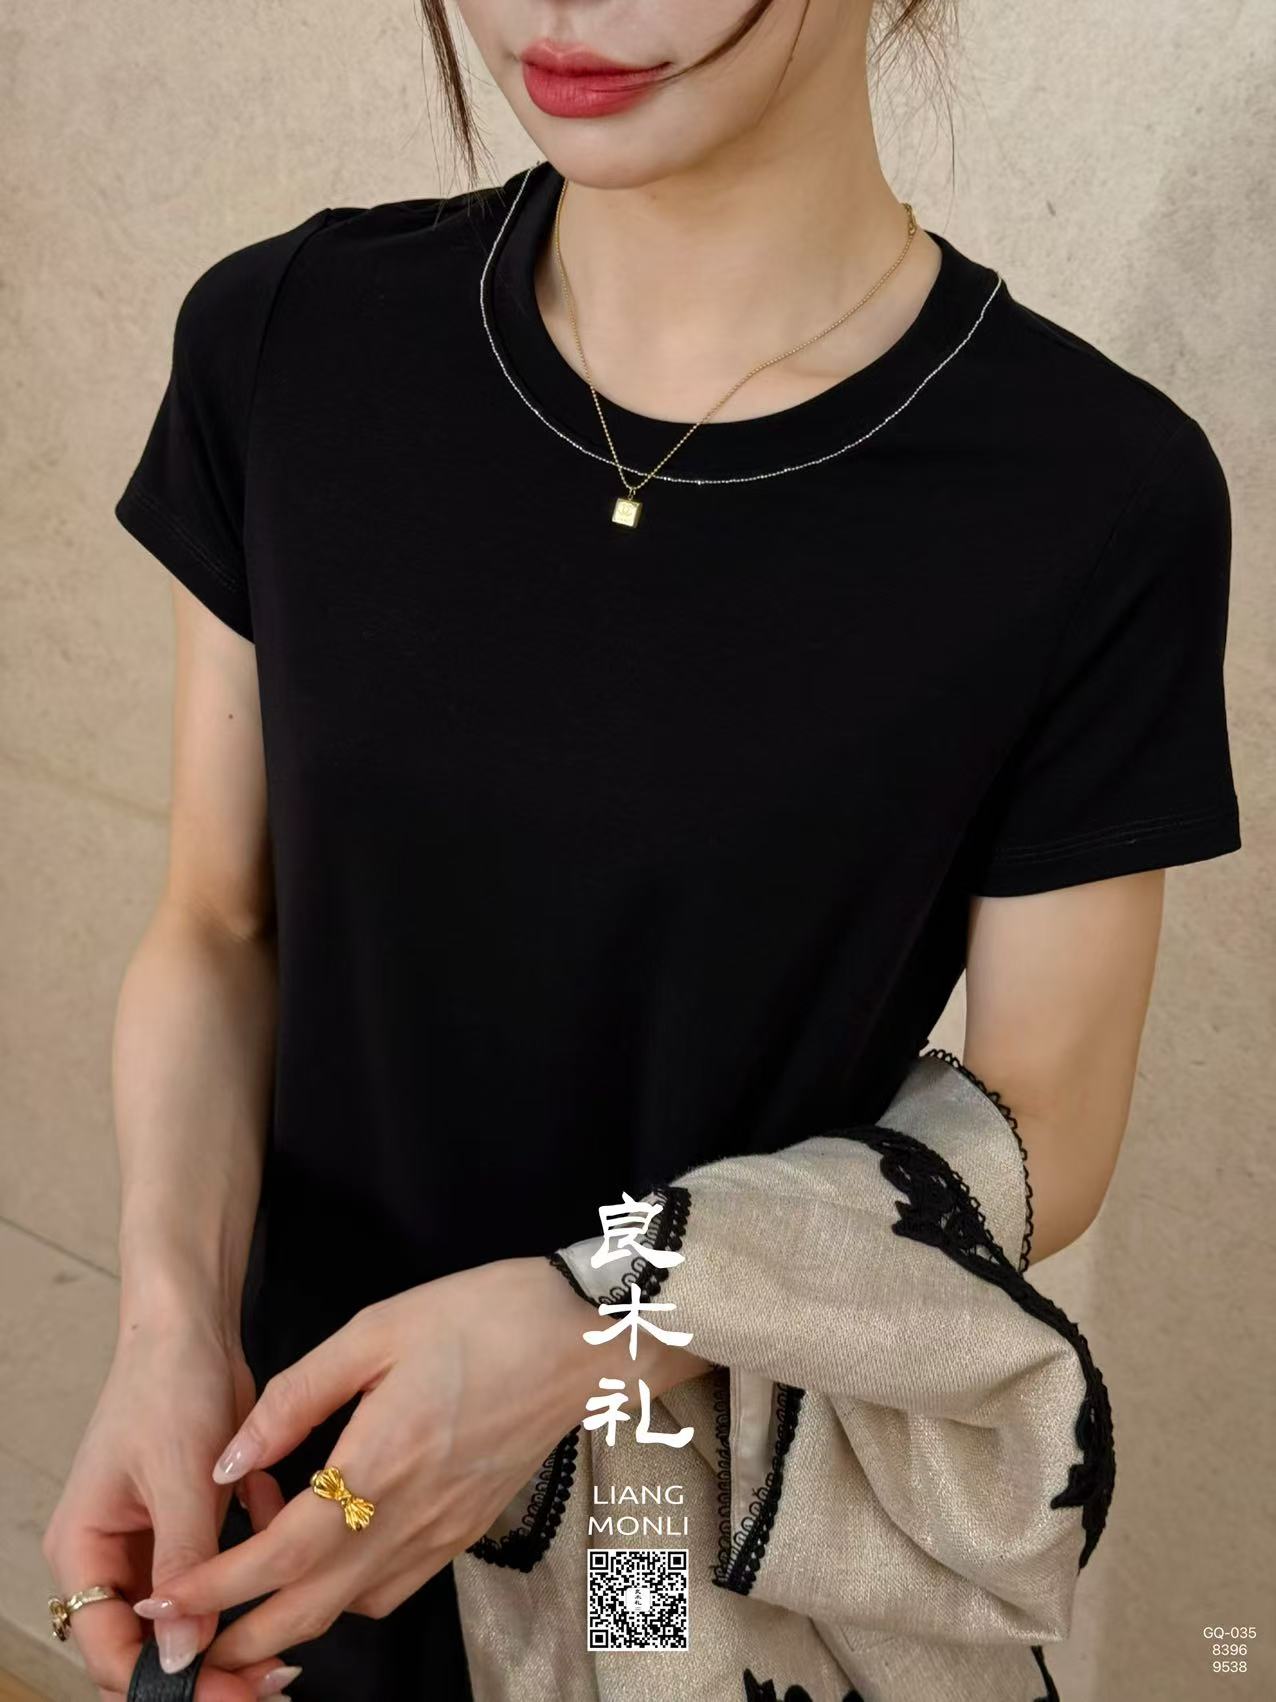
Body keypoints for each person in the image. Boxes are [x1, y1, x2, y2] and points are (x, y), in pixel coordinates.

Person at [42, 0, 1242, 1697]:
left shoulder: (1087, 496)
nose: (555, 11)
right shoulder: (290, 339)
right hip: (280, 1500)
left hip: (669, 1549)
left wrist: (588, 1317)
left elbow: (1040, 1115)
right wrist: (168, 1324)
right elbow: (221, 924)